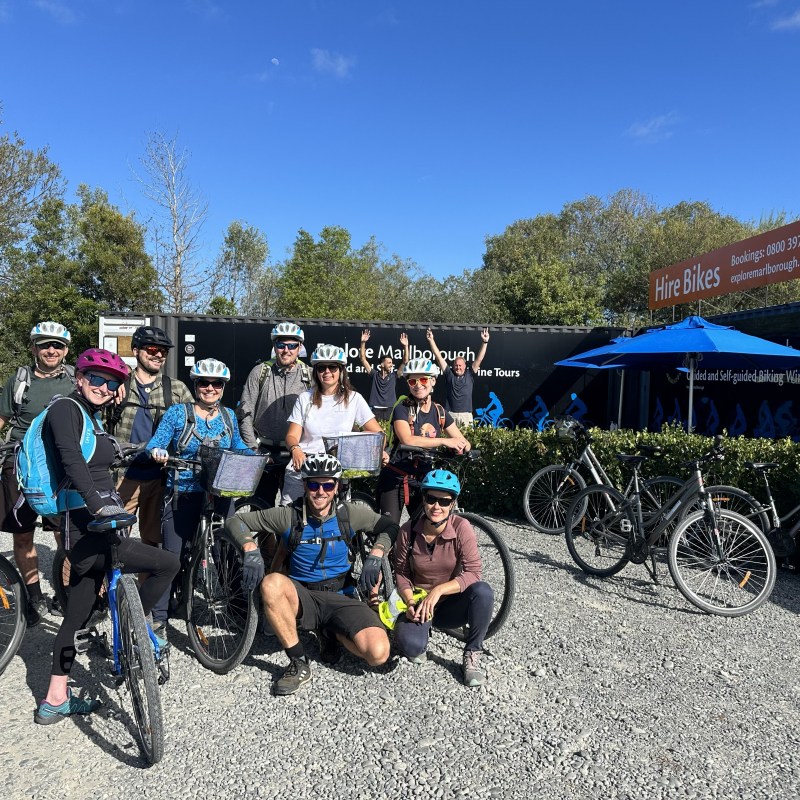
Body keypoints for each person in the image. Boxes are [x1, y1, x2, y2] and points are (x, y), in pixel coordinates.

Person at [35, 348, 179, 724]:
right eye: (95, 378)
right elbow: (71, 460)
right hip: (87, 526)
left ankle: (55, 699)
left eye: (111, 381)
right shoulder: (64, 408)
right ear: (79, 378)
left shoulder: (91, 418)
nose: (103, 386)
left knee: (77, 614)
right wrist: (97, 503)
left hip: (97, 526)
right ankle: (135, 631)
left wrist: (152, 454)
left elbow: (114, 455)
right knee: (167, 562)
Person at [224, 454, 398, 696]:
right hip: (303, 595)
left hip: (342, 595)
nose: (320, 491)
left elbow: (390, 526)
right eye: (314, 484)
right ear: (304, 485)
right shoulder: (288, 515)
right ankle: (298, 661)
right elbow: (235, 521)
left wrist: (377, 553)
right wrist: (249, 547)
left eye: (327, 485)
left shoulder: (349, 513)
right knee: (272, 584)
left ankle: (331, 631)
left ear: (336, 486)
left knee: (378, 654)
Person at [147, 358, 249, 641]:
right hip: (183, 491)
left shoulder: (228, 416)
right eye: (204, 383)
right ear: (195, 385)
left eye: (216, 384)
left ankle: (239, 607)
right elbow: (155, 443)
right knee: (172, 557)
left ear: (223, 387)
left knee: (228, 552)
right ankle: (159, 618)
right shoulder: (178, 414)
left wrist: (254, 457)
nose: (210, 388)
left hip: (219, 492)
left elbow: (238, 445)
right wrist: (158, 452)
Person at [0, 321, 77, 624]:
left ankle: (65, 595)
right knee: (22, 536)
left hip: (59, 467)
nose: (51, 350)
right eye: (44, 344)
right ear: (34, 348)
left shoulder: (75, 379)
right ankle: (34, 597)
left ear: (66, 351)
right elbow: (3, 418)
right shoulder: (19, 380)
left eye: (57, 345)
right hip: (20, 464)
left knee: (65, 535)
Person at [393, 470, 492, 687]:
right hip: (419, 603)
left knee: (483, 592)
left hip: (449, 604)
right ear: (424, 499)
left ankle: (472, 654)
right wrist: (410, 602)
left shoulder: (461, 528)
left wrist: (438, 591)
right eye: (431, 499)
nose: (437, 506)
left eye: (444, 501)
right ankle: (421, 629)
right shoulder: (407, 531)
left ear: (452, 504)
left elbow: (473, 572)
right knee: (411, 648)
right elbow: (401, 573)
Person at [106, 326, 192, 552]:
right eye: (152, 349)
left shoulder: (176, 389)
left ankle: (145, 587)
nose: (158, 355)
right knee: (112, 539)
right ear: (135, 350)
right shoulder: (117, 385)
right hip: (123, 475)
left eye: (163, 351)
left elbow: (194, 424)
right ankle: (108, 586)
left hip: (159, 477)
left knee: (152, 543)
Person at [282, 344, 384, 505]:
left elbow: (377, 434)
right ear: (316, 372)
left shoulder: (354, 399)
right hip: (305, 467)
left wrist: (377, 451)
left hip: (336, 474)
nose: (327, 372)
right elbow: (292, 435)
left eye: (333, 367)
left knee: (339, 525)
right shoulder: (305, 398)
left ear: (341, 370)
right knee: (290, 521)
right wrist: (295, 449)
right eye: (322, 368)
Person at [375, 358, 470, 524]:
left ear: (433, 381)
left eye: (424, 379)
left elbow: (462, 440)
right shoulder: (402, 408)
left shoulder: (440, 411)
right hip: (396, 479)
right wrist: (445, 441)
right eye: (413, 381)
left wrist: (463, 447)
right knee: (389, 532)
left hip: (423, 480)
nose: (418, 385)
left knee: (427, 528)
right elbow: (407, 439)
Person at [237, 322, 312, 507]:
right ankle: (266, 537)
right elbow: (245, 414)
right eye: (281, 345)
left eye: (292, 345)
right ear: (274, 346)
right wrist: (254, 450)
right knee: (261, 511)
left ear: (299, 347)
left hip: (297, 451)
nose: (286, 350)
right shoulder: (260, 372)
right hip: (265, 450)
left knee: (295, 511)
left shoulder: (309, 375)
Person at [426, 327, 490, 427]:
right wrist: (431, 340)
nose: (458, 367)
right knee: (449, 441)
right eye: (456, 365)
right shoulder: (449, 374)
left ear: (465, 366)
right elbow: (439, 357)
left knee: (467, 441)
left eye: (460, 365)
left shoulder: (470, 375)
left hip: (466, 415)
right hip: (451, 414)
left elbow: (479, 359)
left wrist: (485, 342)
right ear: (453, 366)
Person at [358, 329, 410, 421]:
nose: (391, 365)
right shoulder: (374, 375)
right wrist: (363, 342)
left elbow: (405, 361)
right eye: (389, 363)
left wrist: (405, 346)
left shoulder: (394, 375)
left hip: (390, 409)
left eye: (392, 363)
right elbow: (363, 359)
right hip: (375, 409)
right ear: (382, 364)